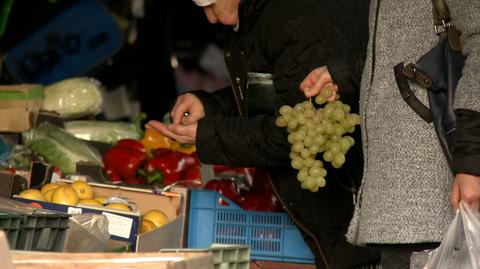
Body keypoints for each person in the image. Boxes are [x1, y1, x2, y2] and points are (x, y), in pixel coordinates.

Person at [148, 0, 380, 268]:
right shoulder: (259, 17)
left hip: (353, 214)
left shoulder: (298, 20)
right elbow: (276, 94)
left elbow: (295, 135)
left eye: (211, 7)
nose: (210, 20)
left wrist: (207, 134)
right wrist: (210, 106)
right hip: (341, 219)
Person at [301, 0, 480, 268]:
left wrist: (471, 162)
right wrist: (344, 74)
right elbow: (404, 47)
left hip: (431, 201)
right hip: (398, 202)